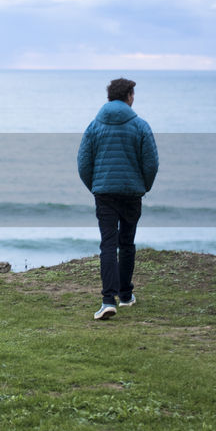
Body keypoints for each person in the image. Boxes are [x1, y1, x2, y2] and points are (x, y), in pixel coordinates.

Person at [77, 77, 158, 319]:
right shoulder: (141, 125)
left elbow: (83, 163)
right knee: (127, 243)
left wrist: (95, 186)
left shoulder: (94, 125)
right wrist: (144, 186)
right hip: (131, 192)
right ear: (129, 96)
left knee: (108, 245)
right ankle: (125, 295)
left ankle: (107, 300)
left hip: (105, 193)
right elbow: (151, 163)